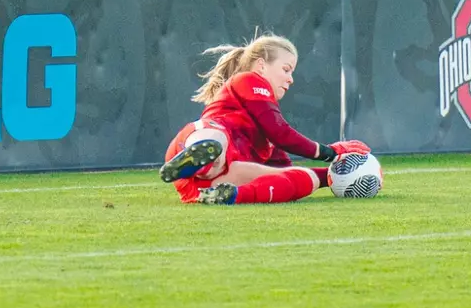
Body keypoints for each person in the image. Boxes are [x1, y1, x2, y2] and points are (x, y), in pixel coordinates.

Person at [159, 34, 371, 206]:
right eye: (286, 69)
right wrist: (330, 153)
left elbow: (282, 168)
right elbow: (279, 133)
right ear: (261, 66)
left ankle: (229, 195)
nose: (291, 79)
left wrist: (336, 175)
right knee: (217, 139)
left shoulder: (267, 140)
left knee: (302, 178)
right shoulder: (248, 79)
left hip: (207, 186)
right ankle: (200, 158)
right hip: (199, 138)